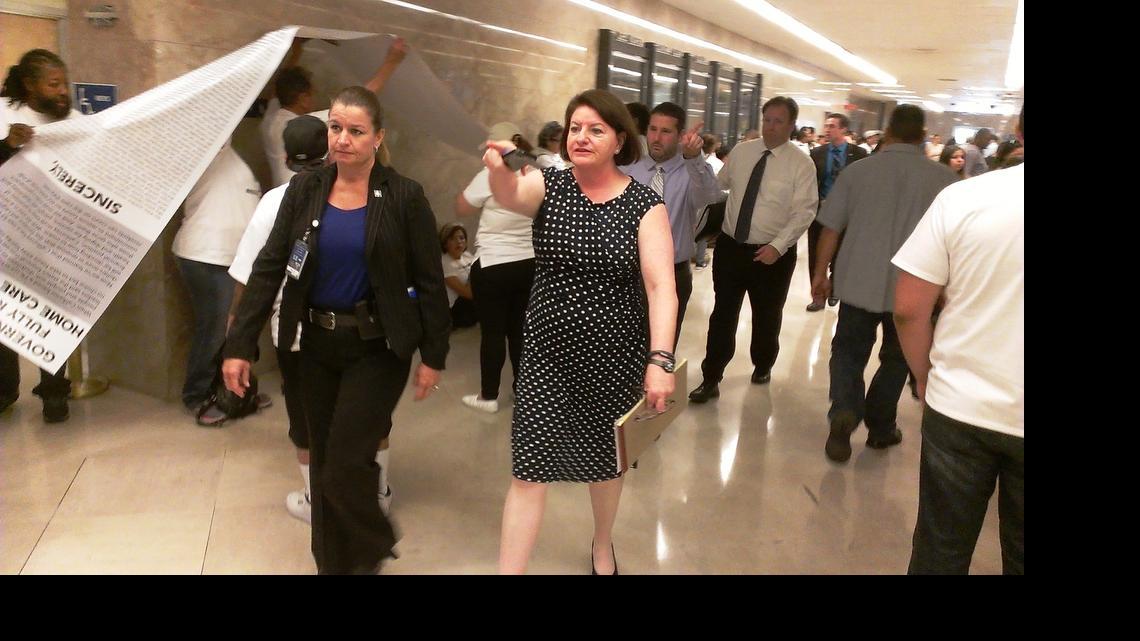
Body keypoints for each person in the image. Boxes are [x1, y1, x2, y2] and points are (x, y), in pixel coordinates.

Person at [222, 86, 450, 574]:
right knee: (322, 462)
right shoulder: (305, 191)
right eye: (336, 128)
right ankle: (332, 564)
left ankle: (373, 544)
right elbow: (269, 267)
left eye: (356, 131)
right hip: (314, 344)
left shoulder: (404, 196)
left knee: (346, 462)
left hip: (378, 347)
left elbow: (430, 281)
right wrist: (239, 344)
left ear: (377, 138)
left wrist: (434, 355)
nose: (343, 139)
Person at [483, 89, 677, 574]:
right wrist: (498, 167)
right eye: (575, 128)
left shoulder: (644, 205)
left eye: (596, 129)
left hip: (613, 360)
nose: (581, 137)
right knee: (529, 469)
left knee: (605, 465)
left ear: (619, 141)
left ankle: (602, 544)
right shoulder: (549, 185)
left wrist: (660, 360)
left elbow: (661, 288)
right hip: (546, 358)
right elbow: (509, 195)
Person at [893, 107, 1023, 574]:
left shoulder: (964, 197)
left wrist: (924, 377)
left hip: (960, 405)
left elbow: (908, 308)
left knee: (941, 550)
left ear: (1019, 130)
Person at [809, 105, 958, 463]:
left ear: (888, 132)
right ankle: (880, 425)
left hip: (857, 282)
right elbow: (954, 243)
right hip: (915, 289)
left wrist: (820, 273)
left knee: (848, 351)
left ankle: (845, 411)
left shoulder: (858, 172)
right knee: (898, 357)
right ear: (922, 136)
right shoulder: (945, 181)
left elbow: (831, 228)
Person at [688, 96, 817, 403]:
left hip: (772, 256)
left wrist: (778, 246)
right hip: (731, 248)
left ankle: (763, 363)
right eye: (767, 120)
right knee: (723, 314)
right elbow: (716, 188)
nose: (771, 127)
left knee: (766, 316)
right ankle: (711, 376)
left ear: (791, 125)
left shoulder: (801, 164)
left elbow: (804, 211)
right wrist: (694, 160)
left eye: (778, 121)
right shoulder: (743, 152)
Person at [0, 49, 82, 422]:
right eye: (54, 84)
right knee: (7, 318)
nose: (63, 92)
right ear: (30, 85)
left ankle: (54, 393)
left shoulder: (74, 122)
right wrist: (7, 146)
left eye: (64, 83)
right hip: (8, 240)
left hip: (55, 240)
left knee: (53, 319)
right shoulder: (4, 114)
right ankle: (5, 392)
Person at [173, 139, 265, 424]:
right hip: (205, 255)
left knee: (230, 328)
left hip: (230, 257)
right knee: (214, 328)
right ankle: (197, 395)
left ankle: (231, 392)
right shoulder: (200, 149)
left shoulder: (230, 154)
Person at [621, 102, 720, 349]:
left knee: (660, 349)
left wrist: (694, 158)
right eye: (653, 129)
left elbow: (710, 196)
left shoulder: (690, 172)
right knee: (622, 347)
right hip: (627, 271)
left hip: (672, 274)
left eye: (666, 131)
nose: (656, 137)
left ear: (679, 135)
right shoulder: (628, 169)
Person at [455, 122, 537, 413]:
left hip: (493, 264)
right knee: (519, 331)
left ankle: (488, 396)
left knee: (492, 333)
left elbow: (462, 206)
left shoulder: (490, 175)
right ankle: (523, 394)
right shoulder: (534, 173)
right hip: (528, 264)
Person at [806, 112, 868, 312]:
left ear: (843, 129)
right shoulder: (817, 153)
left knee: (841, 253)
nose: (827, 129)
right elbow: (810, 182)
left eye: (832, 126)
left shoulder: (858, 154)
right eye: (826, 126)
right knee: (816, 254)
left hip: (847, 214)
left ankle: (834, 287)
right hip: (820, 212)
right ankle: (817, 297)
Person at [440, 222, 477, 329]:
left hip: (474, 298)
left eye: (462, 238)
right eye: (452, 238)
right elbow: (468, 294)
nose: (459, 242)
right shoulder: (444, 262)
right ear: (445, 243)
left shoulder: (467, 255)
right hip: (457, 307)